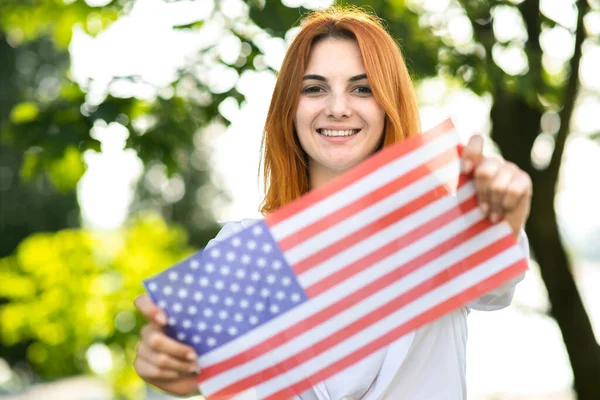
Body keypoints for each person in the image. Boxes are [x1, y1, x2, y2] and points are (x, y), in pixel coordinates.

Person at [134, 5, 532, 399]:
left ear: (388, 104)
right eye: (314, 88)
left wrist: (503, 221)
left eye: (362, 88)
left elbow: (494, 283)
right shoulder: (253, 253)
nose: (338, 108)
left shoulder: (436, 232)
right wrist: (168, 373)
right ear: (290, 108)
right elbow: (186, 372)